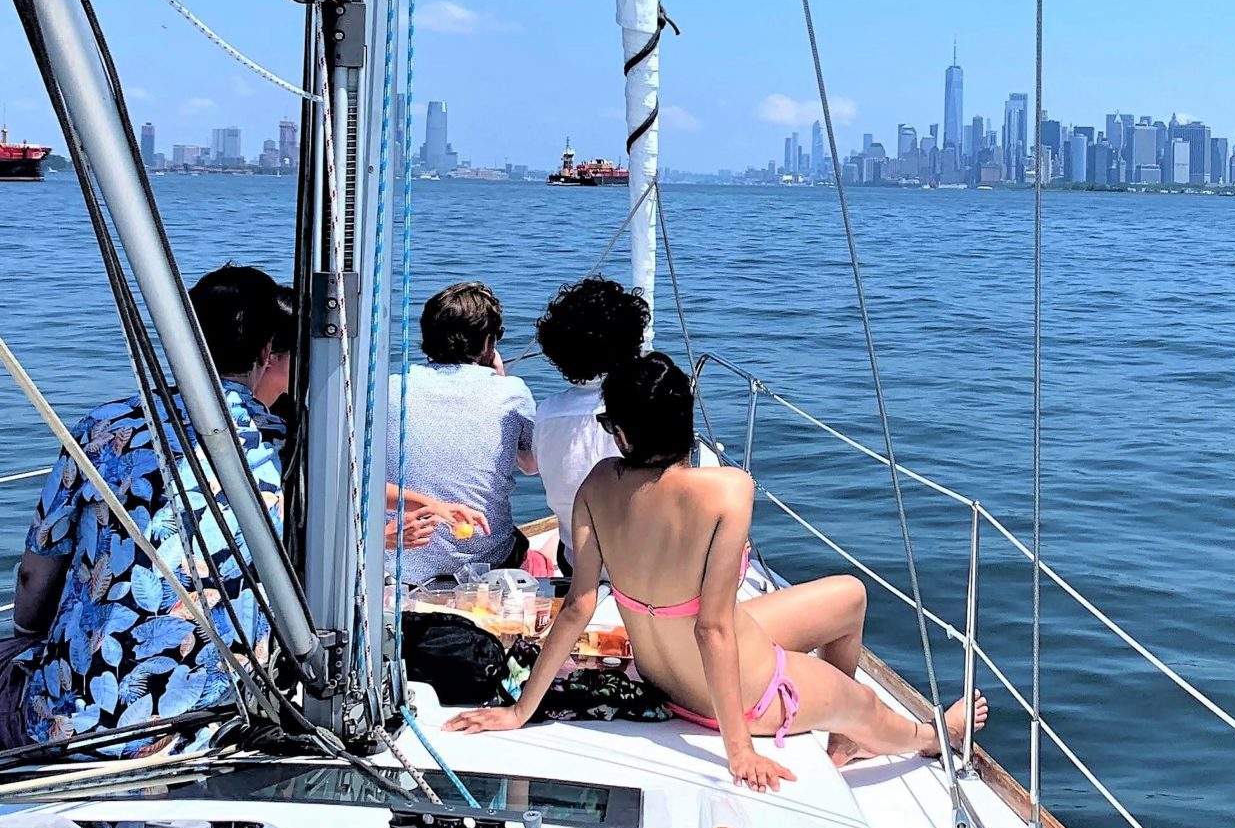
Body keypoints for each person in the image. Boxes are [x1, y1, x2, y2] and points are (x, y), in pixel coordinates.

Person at [448, 353, 985, 791]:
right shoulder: (729, 489)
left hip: (663, 675)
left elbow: (579, 607)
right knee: (868, 705)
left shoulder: (597, 483)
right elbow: (712, 627)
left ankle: (839, 739)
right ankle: (924, 735)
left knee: (849, 596)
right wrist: (740, 751)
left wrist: (521, 711)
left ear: (624, 433)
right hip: (744, 696)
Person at [6, 266, 293, 754]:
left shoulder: (103, 427)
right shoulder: (284, 447)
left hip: (76, 723)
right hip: (212, 723)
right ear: (267, 353)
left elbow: (36, 574)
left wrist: (25, 640)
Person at [386, 281, 535, 583]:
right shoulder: (511, 393)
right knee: (516, 543)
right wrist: (501, 379)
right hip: (484, 564)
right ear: (488, 343)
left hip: (399, 558)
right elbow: (532, 466)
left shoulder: (391, 389)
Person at [527, 276, 652, 572]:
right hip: (641, 563)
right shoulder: (646, 408)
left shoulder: (545, 413)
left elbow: (534, 466)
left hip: (577, 559)